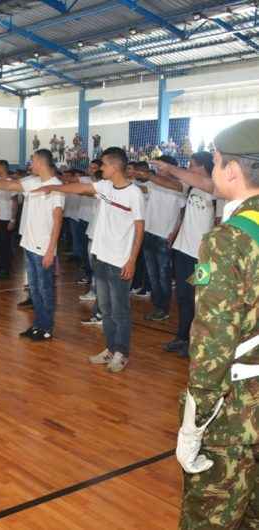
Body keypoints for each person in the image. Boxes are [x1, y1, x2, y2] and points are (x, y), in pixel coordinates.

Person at [175, 119, 259, 529]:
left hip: (234, 414)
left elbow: (213, 343)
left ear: (231, 170)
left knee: (211, 519)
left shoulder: (228, 240)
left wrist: (195, 422)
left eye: (217, 161)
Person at [37, 147, 145, 371]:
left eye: (103, 165)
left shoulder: (134, 193)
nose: (100, 168)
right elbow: (80, 187)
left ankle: (122, 353)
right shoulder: (104, 186)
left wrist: (132, 260)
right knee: (105, 308)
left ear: (115, 166)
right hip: (101, 256)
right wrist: (55, 187)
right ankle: (110, 349)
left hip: (120, 260)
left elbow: (139, 229)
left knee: (120, 310)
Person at [0, 149, 65, 341]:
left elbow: (58, 220)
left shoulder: (56, 187)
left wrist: (51, 250)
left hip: (43, 248)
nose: (30, 164)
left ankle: (46, 328)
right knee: (34, 289)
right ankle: (37, 324)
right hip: (29, 243)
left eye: (32, 160)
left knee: (45, 289)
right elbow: (10, 186)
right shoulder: (33, 181)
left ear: (41, 163)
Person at [151, 152, 216, 358]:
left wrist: (170, 168)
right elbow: (173, 185)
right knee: (183, 297)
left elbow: (219, 224)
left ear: (204, 167)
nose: (189, 167)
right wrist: (148, 176)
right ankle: (182, 337)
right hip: (183, 251)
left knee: (199, 299)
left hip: (203, 257)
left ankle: (197, 343)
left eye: (192, 164)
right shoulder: (190, 186)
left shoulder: (215, 188)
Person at [134, 157, 186, 321]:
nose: (158, 169)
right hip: (148, 232)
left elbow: (182, 214)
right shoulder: (152, 183)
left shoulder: (180, 186)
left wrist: (176, 232)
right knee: (152, 274)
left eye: (161, 166)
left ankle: (164, 308)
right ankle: (158, 306)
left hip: (164, 235)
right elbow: (139, 188)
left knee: (164, 275)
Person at [0, 160, 18, 279]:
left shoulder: (10, 182)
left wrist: (13, 219)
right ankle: (1, 266)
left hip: (6, 218)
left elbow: (14, 201)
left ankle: (6, 269)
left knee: (5, 245)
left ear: (2, 167)